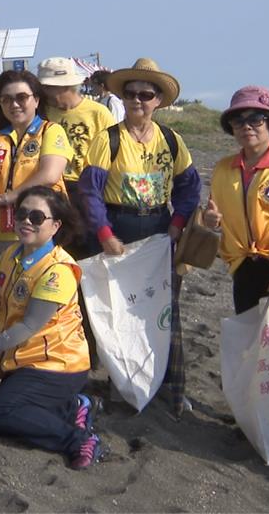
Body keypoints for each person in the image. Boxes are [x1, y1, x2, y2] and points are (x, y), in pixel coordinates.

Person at [0, 185, 102, 470]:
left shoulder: (58, 271)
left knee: (0, 413)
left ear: (55, 226)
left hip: (58, 365)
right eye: (22, 213)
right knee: (5, 410)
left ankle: (77, 440)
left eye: (37, 217)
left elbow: (28, 326)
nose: (26, 221)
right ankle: (74, 406)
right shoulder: (12, 254)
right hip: (25, 361)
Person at [78, 57, 201, 417]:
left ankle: (170, 389)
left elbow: (189, 187)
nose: (137, 100)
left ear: (158, 100)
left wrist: (178, 222)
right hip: (118, 229)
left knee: (164, 312)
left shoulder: (172, 140)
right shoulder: (108, 139)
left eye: (145, 94)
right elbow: (90, 192)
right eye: (130, 93)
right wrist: (103, 233)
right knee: (117, 311)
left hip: (160, 233)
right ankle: (119, 381)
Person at [204, 86, 269, 314]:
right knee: (251, 343)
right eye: (238, 120)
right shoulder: (223, 169)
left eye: (256, 119)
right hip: (242, 268)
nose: (246, 126)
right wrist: (210, 220)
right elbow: (216, 217)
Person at [0, 70, 72, 258]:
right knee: (7, 282)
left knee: (37, 278)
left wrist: (8, 198)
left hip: (40, 225)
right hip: (3, 229)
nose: (14, 104)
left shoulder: (51, 131)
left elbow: (49, 174)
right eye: (6, 99)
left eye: (22, 97)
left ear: (37, 100)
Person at [39, 57, 117, 258]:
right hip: (51, 188)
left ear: (67, 86)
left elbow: (113, 153)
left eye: (50, 88)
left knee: (87, 254)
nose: (46, 93)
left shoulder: (98, 113)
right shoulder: (43, 113)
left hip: (86, 191)